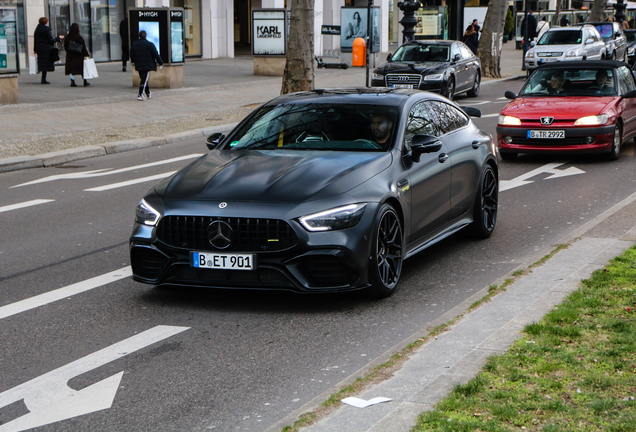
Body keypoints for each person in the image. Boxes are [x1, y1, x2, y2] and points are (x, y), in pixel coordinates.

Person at [130, 30, 163, 101]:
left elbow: (131, 54)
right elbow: (156, 54)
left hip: (138, 64)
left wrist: (134, 61)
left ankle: (148, 93)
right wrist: (160, 62)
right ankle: (140, 94)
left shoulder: (134, 44)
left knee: (143, 79)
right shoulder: (150, 44)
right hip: (147, 64)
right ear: (145, 36)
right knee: (144, 80)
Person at [33, 17, 62, 84]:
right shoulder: (47, 30)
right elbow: (51, 40)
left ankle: (43, 78)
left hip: (40, 49)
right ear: (46, 22)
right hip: (47, 49)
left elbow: (35, 40)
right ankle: (43, 79)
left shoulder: (37, 29)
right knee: (46, 63)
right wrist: (58, 38)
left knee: (43, 63)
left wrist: (35, 49)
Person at [64, 23, 91, 87]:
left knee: (71, 69)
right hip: (79, 55)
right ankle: (85, 81)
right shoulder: (79, 37)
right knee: (82, 69)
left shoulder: (68, 37)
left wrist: (68, 51)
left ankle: (72, 81)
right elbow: (83, 46)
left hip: (70, 55)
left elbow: (65, 46)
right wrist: (86, 54)